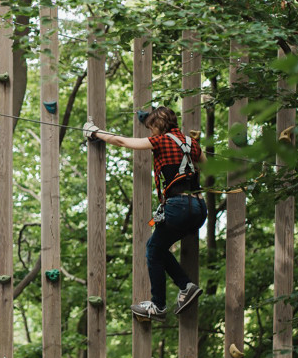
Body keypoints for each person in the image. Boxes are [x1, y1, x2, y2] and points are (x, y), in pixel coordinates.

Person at [83, 106, 207, 322]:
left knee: (152, 249)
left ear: (158, 125)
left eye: (151, 128)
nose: (150, 133)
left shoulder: (159, 141)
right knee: (158, 249)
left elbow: (122, 142)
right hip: (199, 210)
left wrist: (94, 132)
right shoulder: (191, 143)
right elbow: (207, 166)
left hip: (177, 207)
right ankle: (186, 286)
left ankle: (158, 305)